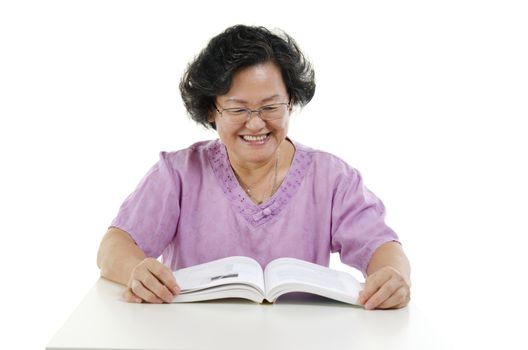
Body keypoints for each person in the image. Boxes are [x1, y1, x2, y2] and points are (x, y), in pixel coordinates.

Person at [97, 24, 411, 310]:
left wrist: (392, 276)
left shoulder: (332, 178)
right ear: (211, 111)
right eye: (239, 109)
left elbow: (381, 246)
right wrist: (136, 271)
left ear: (291, 102)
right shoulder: (177, 173)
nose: (256, 123)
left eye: (271, 107)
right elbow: (115, 245)